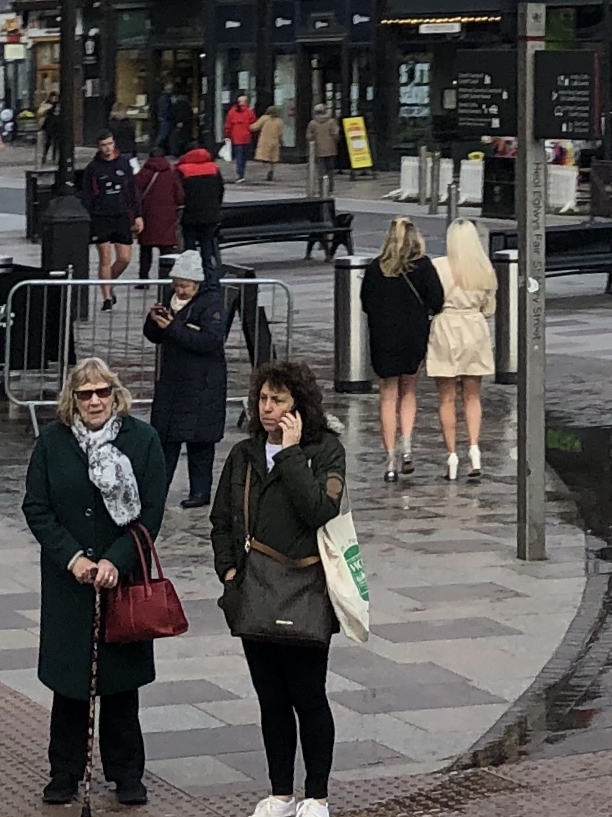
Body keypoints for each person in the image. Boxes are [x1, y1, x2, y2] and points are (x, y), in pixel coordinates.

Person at [23, 357, 170, 806]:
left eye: (102, 391)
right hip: (70, 582)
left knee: (120, 683)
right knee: (70, 684)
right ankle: (64, 771)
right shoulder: (52, 443)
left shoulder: (142, 441)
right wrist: (73, 559)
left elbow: (151, 511)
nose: (94, 401)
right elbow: (37, 507)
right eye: (85, 393)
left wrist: (115, 561)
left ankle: (127, 772)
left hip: (120, 580)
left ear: (115, 394)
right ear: (73, 398)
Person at [214, 361, 346, 817]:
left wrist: (290, 454)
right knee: (271, 698)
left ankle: (317, 795)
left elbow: (318, 510)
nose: (268, 409)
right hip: (254, 590)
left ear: (300, 407)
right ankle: (280, 792)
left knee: (308, 695)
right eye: (263, 400)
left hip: (305, 589)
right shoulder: (243, 455)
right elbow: (222, 522)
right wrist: (229, 575)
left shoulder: (325, 451)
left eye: (279, 401)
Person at [145, 265, 234, 509]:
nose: (180, 290)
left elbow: (210, 341)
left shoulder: (211, 304)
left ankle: (200, 491)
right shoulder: (169, 298)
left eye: (185, 286)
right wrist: (154, 321)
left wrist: (173, 327)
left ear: (197, 285)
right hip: (173, 381)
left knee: (200, 441)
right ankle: (157, 491)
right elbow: (154, 335)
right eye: (177, 285)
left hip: (204, 383)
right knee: (165, 439)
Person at [362, 217, 443, 481]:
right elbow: (437, 300)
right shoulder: (423, 266)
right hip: (413, 336)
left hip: (384, 337)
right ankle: (407, 446)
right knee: (409, 390)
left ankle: (389, 457)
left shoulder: (376, 269)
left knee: (387, 394)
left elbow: (366, 302)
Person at [426, 219, 496, 480]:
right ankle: (475, 450)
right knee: (472, 396)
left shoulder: (438, 266)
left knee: (446, 398)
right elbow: (489, 308)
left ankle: (452, 456)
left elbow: (430, 300)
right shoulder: (484, 267)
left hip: (446, 326)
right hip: (474, 327)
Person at [83, 134, 139, 306]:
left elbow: (133, 191)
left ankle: (108, 281)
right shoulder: (93, 168)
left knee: (124, 258)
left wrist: (138, 215)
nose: (107, 148)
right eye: (103, 145)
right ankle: (106, 296)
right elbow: (86, 195)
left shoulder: (124, 163)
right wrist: (91, 213)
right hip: (101, 216)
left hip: (121, 214)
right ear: (98, 147)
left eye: (110, 144)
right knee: (105, 257)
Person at [136, 144, 185, 280]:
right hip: (167, 218)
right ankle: (164, 278)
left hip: (147, 217)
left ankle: (143, 278)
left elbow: (135, 195)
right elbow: (179, 195)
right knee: (166, 250)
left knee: (145, 250)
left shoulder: (143, 174)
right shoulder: (171, 173)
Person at [178, 140, 227, 279]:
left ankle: (190, 274)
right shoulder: (213, 168)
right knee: (206, 243)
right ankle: (208, 272)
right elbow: (220, 190)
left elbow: (179, 193)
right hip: (210, 214)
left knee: (189, 245)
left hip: (190, 215)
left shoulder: (182, 170)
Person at [304, 98, 340, 197]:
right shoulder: (331, 121)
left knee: (321, 170)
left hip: (318, 150)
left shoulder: (313, 123)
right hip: (331, 149)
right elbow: (335, 133)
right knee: (330, 170)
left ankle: (321, 187)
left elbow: (309, 136)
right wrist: (334, 140)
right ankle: (330, 187)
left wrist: (313, 140)